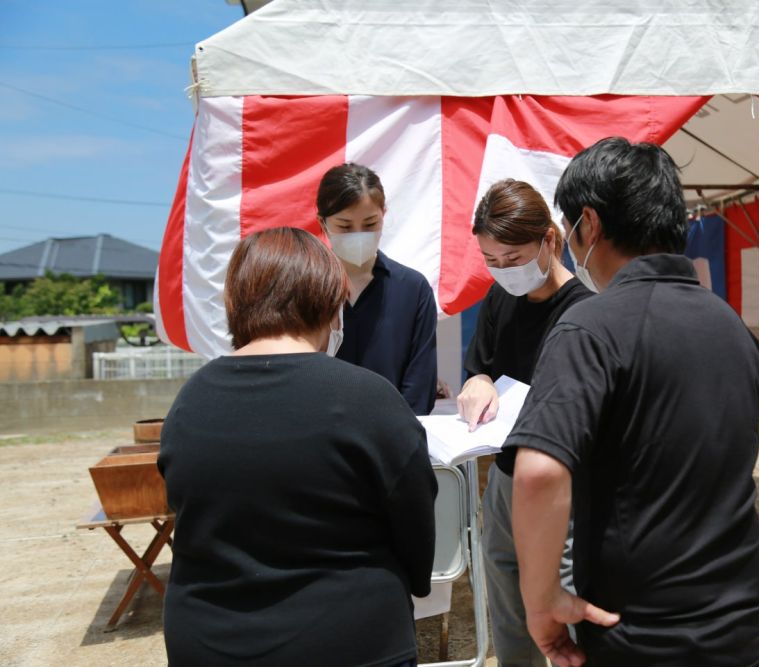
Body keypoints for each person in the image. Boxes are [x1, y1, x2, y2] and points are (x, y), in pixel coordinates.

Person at [504, 138, 759, 667]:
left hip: (639, 641)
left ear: (590, 224)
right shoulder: (736, 333)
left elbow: (538, 473)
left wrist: (541, 601)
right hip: (739, 634)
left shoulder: (589, 327)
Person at [158, 227, 437, 666]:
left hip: (211, 640)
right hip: (352, 637)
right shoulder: (368, 398)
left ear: (235, 302)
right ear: (329, 304)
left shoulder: (190, 401)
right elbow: (415, 517)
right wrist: (415, 581)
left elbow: (190, 514)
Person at [457, 179, 592, 667]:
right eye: (490, 261)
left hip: (565, 483)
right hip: (507, 476)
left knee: (567, 589)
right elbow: (481, 369)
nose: (502, 272)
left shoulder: (584, 311)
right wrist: (478, 383)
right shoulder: (500, 300)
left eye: (512, 259)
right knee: (506, 587)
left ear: (549, 240)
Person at [316, 162, 438, 415]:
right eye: (345, 226)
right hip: (320, 442)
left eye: (370, 223)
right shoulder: (305, 288)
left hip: (393, 441)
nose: (358, 234)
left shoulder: (413, 289)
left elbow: (419, 386)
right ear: (322, 223)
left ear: (384, 214)